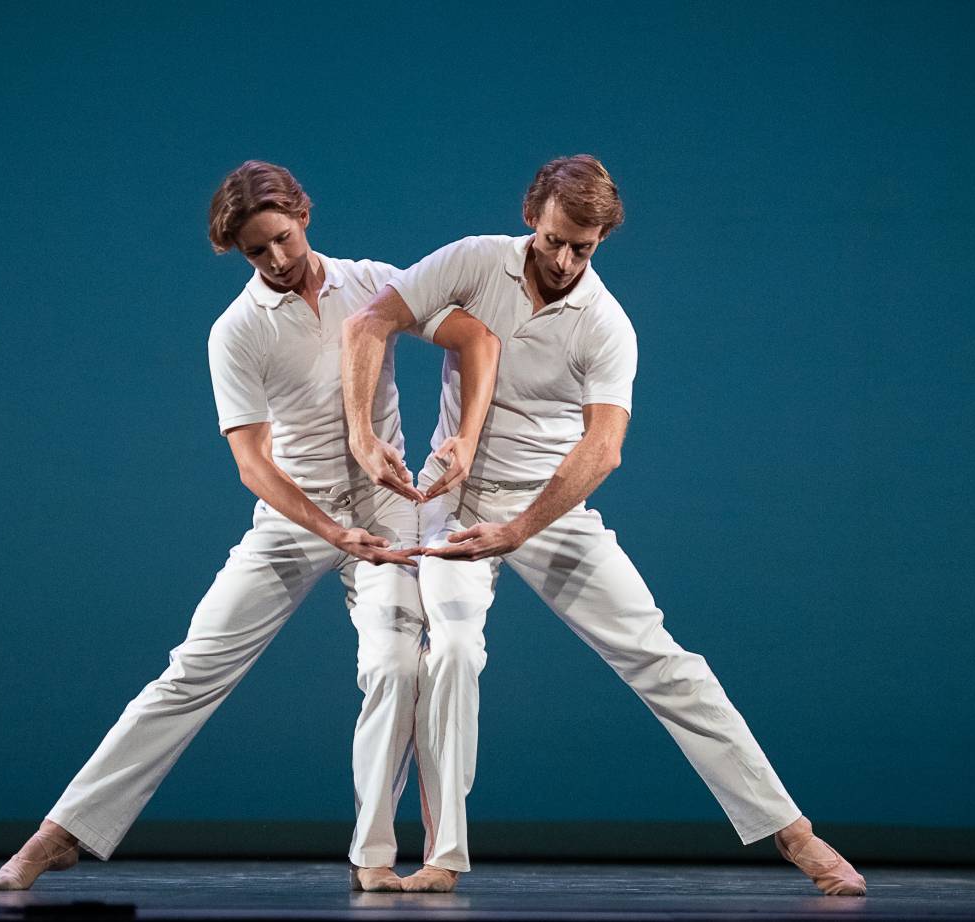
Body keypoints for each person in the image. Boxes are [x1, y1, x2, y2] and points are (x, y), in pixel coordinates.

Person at [340, 154, 867, 897]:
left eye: (582, 248)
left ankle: (794, 833)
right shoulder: (473, 261)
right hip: (455, 499)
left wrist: (521, 527)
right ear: (533, 217)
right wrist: (365, 437)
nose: (563, 260)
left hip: (548, 508)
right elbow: (371, 320)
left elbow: (603, 447)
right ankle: (440, 857)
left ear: (601, 242)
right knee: (450, 650)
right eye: (556, 240)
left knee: (662, 659)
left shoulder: (606, 324)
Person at [0, 160, 500, 893]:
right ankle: (59, 834)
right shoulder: (237, 332)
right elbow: (254, 465)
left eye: (283, 240)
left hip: (387, 510)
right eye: (259, 252)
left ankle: (374, 857)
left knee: (397, 667)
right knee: (193, 669)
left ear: (305, 217)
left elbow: (475, 338)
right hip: (295, 517)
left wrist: (462, 441)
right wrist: (331, 530)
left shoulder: (373, 285)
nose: (278, 260)